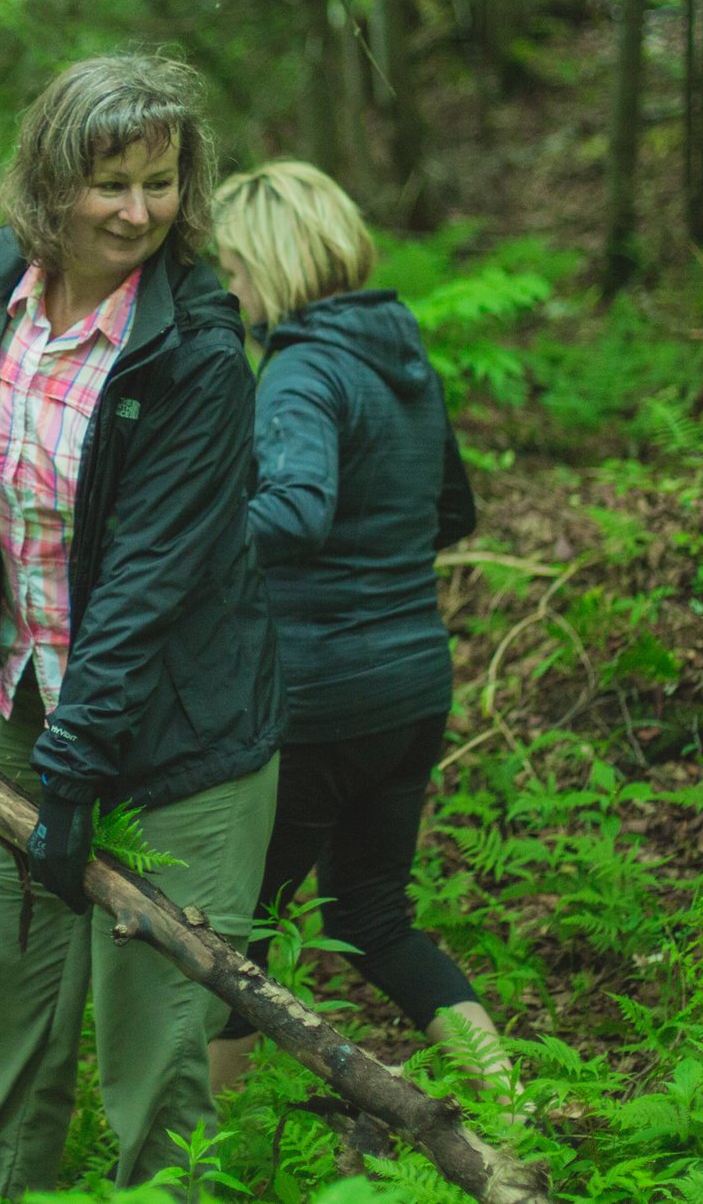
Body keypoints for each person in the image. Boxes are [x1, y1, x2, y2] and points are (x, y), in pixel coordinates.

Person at [0, 56, 283, 1197]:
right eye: (110, 183)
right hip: (32, 715)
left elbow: (148, 581)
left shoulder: (195, 348)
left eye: (162, 182)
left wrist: (76, 778)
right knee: (8, 1044)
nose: (138, 211)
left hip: (182, 747)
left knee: (159, 1068)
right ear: (49, 181)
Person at [203, 161, 505, 1090]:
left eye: (235, 269)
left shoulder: (298, 370)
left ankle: (202, 1165)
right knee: (375, 917)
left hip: (319, 702)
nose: (231, 291)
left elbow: (293, 516)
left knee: (232, 935)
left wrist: (183, 545)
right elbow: (451, 510)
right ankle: (516, 1105)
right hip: (413, 687)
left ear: (276, 262)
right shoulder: (399, 355)